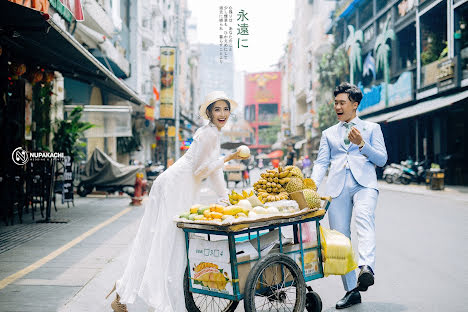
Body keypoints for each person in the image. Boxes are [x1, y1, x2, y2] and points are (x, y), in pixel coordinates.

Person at [105, 91, 248, 312]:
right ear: (209, 112)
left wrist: (224, 197)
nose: (222, 113)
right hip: (175, 185)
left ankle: (124, 290)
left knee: (160, 240)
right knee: (168, 242)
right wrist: (229, 158)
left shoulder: (212, 133)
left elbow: (213, 171)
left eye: (226, 109)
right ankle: (132, 292)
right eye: (217, 109)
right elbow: (201, 170)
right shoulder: (208, 134)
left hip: (180, 185)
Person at [311, 82, 387, 309]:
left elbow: (382, 160)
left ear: (354, 105)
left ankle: (367, 267)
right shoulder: (328, 134)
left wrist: (362, 144)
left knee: (364, 219)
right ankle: (352, 290)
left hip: (364, 184)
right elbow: (321, 162)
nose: (337, 106)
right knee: (340, 240)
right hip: (336, 188)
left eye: (342, 102)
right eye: (335, 102)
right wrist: (311, 188)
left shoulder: (372, 129)